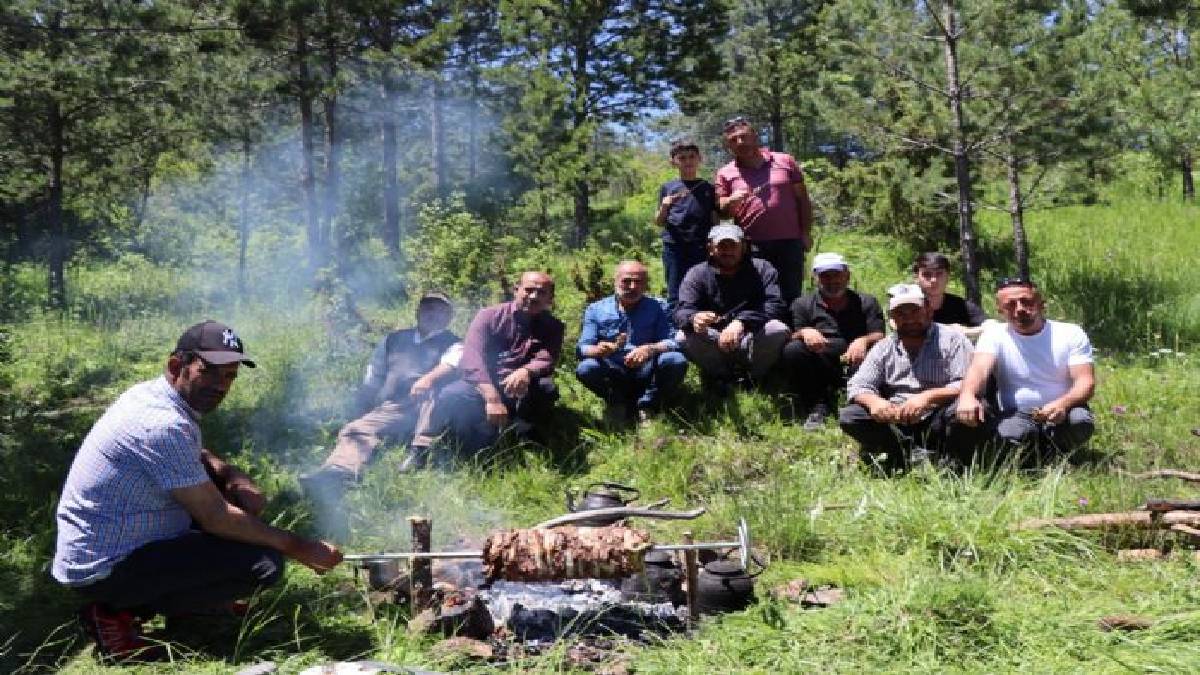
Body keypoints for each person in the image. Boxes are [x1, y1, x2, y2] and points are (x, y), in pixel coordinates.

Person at [52, 321, 342, 659]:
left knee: (240, 518)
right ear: (177, 366)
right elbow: (216, 517)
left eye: (230, 376)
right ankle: (116, 612)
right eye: (210, 372)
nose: (221, 385)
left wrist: (230, 475)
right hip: (104, 566)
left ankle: (192, 601)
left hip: (115, 540)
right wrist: (301, 547)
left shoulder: (153, 396)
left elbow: (195, 454)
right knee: (263, 563)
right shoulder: (159, 424)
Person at [407, 272, 564, 466]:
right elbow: (472, 358)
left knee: (546, 388)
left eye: (541, 292)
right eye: (529, 290)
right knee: (450, 395)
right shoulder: (488, 316)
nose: (533, 296)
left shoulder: (554, 326)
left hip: (520, 383)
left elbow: (547, 358)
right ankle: (436, 447)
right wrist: (491, 397)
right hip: (484, 381)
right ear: (517, 290)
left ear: (550, 298)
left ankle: (527, 439)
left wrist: (526, 371)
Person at [304, 292, 462, 484]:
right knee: (356, 429)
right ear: (418, 311)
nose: (432, 313)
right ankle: (340, 472)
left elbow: (450, 365)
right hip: (394, 406)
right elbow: (374, 375)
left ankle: (421, 451)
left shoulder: (454, 343)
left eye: (439, 310)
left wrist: (427, 379)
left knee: (436, 391)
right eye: (428, 307)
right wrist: (363, 404)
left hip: (430, 407)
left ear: (449, 317)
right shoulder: (393, 339)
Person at [839, 285, 984, 471]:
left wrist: (928, 397)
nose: (909, 319)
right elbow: (858, 385)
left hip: (938, 415)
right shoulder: (884, 347)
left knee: (966, 410)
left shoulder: (953, 340)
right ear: (892, 319)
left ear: (929, 311)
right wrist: (875, 402)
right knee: (851, 416)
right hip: (896, 417)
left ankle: (950, 459)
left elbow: (966, 383)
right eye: (901, 313)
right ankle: (899, 455)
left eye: (915, 311)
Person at [955, 279, 1096, 462]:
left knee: (1080, 422)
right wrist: (967, 396)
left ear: (1040, 304)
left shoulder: (1070, 333)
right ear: (1000, 310)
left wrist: (1063, 404)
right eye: (1010, 305)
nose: (1019, 308)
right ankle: (1034, 450)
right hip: (1017, 412)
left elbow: (1086, 382)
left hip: (1065, 410)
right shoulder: (994, 335)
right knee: (1007, 436)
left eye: (1026, 301)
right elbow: (979, 369)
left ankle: (1060, 452)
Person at [674, 223, 789, 393]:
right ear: (710, 248)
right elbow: (681, 310)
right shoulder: (696, 273)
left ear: (743, 247)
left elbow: (775, 304)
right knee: (683, 336)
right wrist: (694, 318)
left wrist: (741, 322)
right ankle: (721, 377)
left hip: (752, 335)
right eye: (721, 246)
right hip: (714, 340)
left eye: (733, 245)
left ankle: (753, 378)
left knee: (777, 330)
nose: (727, 251)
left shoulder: (763, 268)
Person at [714, 116, 814, 306]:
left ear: (755, 136)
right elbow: (723, 212)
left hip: (790, 241)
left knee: (791, 293)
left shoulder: (785, 161)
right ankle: (762, 333)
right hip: (752, 244)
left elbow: (803, 199)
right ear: (729, 147)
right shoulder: (725, 173)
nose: (740, 142)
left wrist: (806, 233)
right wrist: (731, 201)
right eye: (733, 140)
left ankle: (791, 333)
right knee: (757, 293)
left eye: (744, 136)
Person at [576, 261, 688, 425]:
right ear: (616, 281)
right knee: (586, 368)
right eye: (626, 281)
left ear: (645, 284)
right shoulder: (595, 309)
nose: (632, 286)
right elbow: (582, 348)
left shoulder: (659, 307)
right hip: (613, 371)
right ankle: (616, 403)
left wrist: (650, 349)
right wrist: (598, 350)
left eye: (638, 282)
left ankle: (648, 405)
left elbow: (675, 342)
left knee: (675, 360)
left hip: (648, 370)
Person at [782, 252, 885, 430]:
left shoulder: (866, 302)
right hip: (819, 360)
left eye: (836, 274)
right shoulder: (802, 304)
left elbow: (880, 335)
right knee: (793, 350)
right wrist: (805, 332)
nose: (832, 280)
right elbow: (790, 333)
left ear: (847, 275)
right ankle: (817, 405)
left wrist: (863, 340)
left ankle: (859, 402)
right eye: (825, 276)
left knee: (875, 351)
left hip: (857, 361)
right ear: (816, 278)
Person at [656, 140, 719, 311]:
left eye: (692, 157)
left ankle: (703, 326)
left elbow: (714, 218)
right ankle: (676, 329)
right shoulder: (668, 187)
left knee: (704, 285)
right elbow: (659, 221)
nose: (688, 161)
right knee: (675, 288)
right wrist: (665, 205)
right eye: (682, 158)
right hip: (674, 246)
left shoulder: (708, 188)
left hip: (701, 246)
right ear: (673, 162)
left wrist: (715, 243)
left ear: (699, 159)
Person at [912, 252, 992, 339]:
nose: (933, 280)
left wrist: (968, 332)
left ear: (948, 277)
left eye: (939, 274)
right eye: (927, 274)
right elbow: (895, 324)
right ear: (916, 277)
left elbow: (992, 325)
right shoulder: (907, 303)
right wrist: (948, 331)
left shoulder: (960, 305)